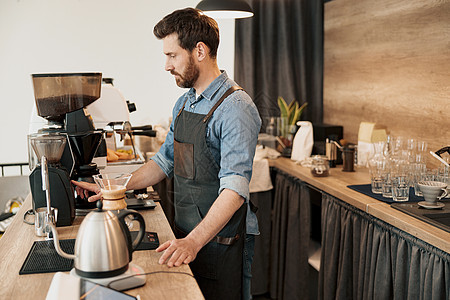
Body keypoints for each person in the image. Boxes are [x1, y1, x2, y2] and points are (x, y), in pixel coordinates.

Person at [73, 8, 261, 300]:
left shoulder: (236, 107)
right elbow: (164, 162)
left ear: (199, 50)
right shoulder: (185, 103)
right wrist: (108, 187)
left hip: (219, 240)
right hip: (185, 231)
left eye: (172, 55)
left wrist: (193, 242)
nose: (166, 65)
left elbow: (235, 190)